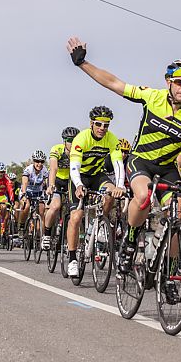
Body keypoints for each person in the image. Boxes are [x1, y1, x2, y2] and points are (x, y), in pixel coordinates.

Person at [67, 37, 181, 302]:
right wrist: (82, 64)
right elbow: (114, 83)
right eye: (179, 82)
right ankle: (130, 238)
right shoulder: (152, 97)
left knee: (179, 213)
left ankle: (169, 276)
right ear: (169, 82)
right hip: (141, 161)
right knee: (143, 196)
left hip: (168, 168)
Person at [66, 106, 126, 277]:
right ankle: (72, 259)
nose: (102, 128)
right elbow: (74, 167)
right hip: (80, 177)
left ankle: (100, 225)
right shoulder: (81, 138)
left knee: (111, 193)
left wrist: (119, 186)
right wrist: (78, 185)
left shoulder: (111, 139)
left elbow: (118, 165)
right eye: (99, 124)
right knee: (76, 217)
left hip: (97, 176)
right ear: (91, 124)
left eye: (106, 125)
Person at [43, 126, 79, 250]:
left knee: (76, 210)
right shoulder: (57, 149)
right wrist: (51, 185)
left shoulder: (80, 151)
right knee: (55, 206)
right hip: (57, 180)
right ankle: (46, 235)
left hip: (71, 180)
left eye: (75, 140)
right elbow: (53, 169)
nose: (72, 143)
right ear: (64, 141)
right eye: (70, 140)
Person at [17, 150, 49, 237]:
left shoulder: (45, 170)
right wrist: (24, 194)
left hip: (38, 192)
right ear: (33, 161)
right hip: (27, 191)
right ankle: (22, 226)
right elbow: (24, 183)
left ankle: (42, 235)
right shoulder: (28, 170)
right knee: (26, 206)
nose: (39, 164)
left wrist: (48, 193)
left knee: (42, 211)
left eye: (42, 161)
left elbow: (47, 184)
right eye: (37, 161)